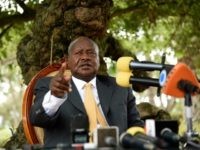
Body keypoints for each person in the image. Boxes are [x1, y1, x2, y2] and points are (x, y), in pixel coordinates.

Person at [30, 36, 144, 147]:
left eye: (91, 53)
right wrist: (55, 97)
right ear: (67, 61)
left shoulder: (120, 86)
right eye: (78, 53)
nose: (85, 57)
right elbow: (37, 119)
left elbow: (136, 125)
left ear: (99, 60)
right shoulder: (50, 85)